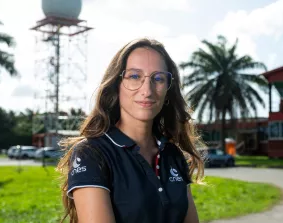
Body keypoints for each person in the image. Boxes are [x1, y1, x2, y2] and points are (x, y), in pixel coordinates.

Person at [56, 37, 205, 223]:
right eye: (134, 76)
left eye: (158, 78)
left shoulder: (173, 154)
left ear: (168, 89)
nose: (147, 90)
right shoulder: (91, 153)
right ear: (116, 86)